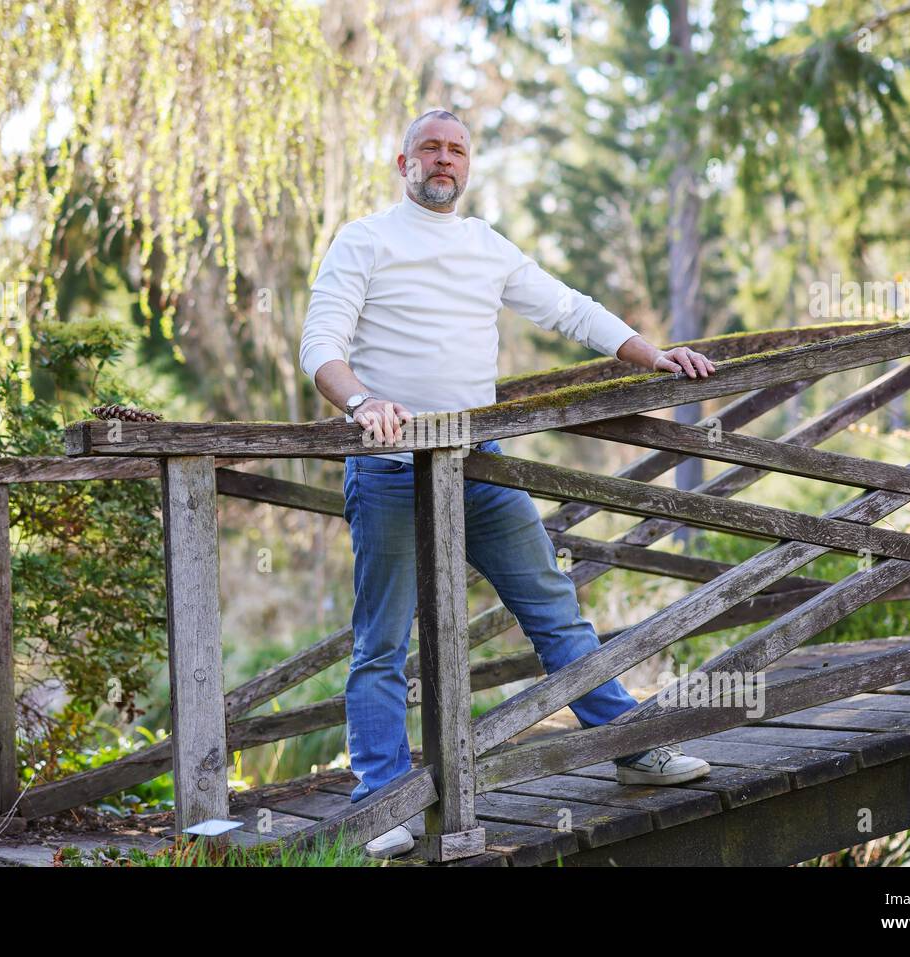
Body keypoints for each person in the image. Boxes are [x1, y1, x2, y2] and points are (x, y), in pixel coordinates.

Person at [299, 109, 718, 859]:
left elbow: (567, 308)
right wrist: (364, 401)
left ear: (469, 166)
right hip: (391, 468)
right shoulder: (365, 239)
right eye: (430, 147)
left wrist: (651, 354)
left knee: (555, 608)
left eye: (457, 150)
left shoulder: (485, 244)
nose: (444, 160)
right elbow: (320, 344)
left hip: (479, 464)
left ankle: (628, 747)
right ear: (403, 162)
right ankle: (383, 801)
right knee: (381, 641)